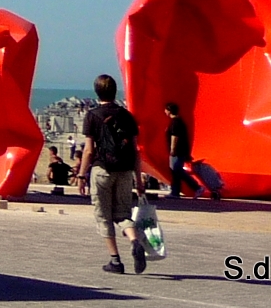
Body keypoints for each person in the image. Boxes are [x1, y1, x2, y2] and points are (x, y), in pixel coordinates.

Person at [77, 74, 147, 275]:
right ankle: (134, 240)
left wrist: (82, 175)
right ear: (115, 91)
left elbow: (89, 150)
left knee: (103, 216)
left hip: (102, 170)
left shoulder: (92, 115)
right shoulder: (126, 115)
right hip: (124, 171)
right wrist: (139, 179)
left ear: (96, 92)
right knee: (123, 214)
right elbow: (135, 150)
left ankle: (115, 260)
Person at [163, 102, 196, 199]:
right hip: (180, 150)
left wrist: (173, 149)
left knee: (176, 170)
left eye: (165, 110)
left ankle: (195, 187)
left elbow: (174, 136)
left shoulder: (175, 122)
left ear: (169, 111)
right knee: (176, 171)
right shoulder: (179, 121)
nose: (164, 112)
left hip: (177, 151)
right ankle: (175, 191)